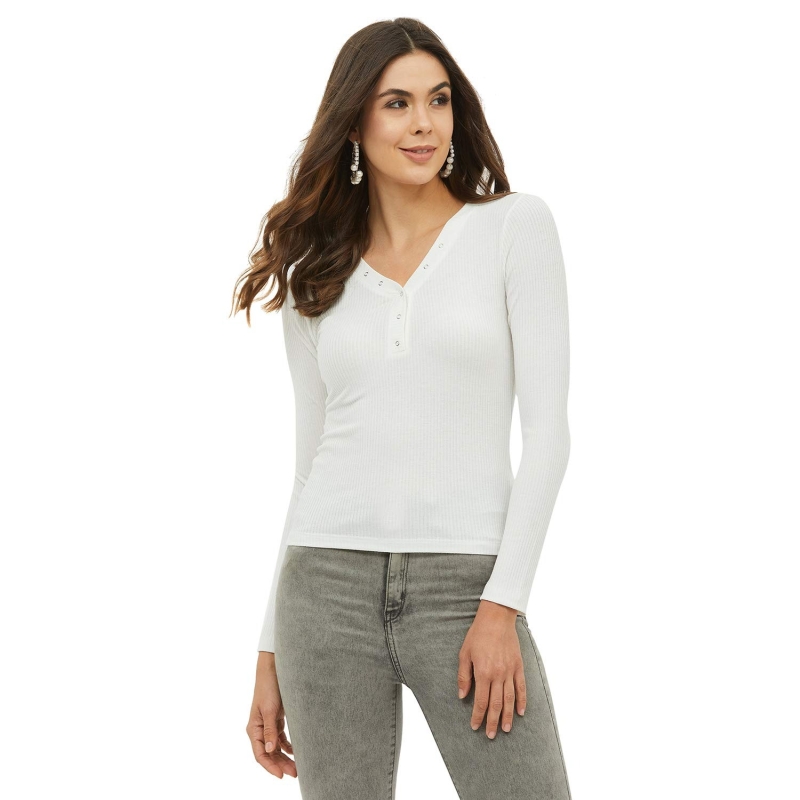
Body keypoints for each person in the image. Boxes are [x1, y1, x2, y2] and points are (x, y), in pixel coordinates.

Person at [231, 17, 573, 800]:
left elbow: (549, 436)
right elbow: (309, 465)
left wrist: (502, 608)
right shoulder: (315, 269)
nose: (424, 123)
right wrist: (270, 648)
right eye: (397, 103)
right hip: (324, 591)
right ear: (354, 122)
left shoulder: (513, 228)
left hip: (468, 590)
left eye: (438, 100)